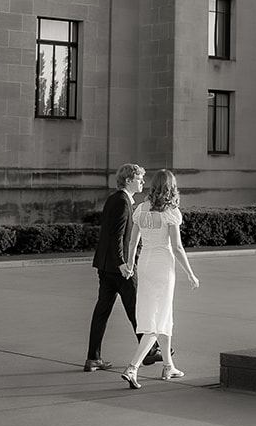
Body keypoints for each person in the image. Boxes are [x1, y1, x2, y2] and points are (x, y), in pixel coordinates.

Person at [120, 169, 199, 387]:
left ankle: (168, 365)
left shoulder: (141, 209)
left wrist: (130, 264)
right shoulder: (171, 212)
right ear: (171, 188)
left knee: (161, 316)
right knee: (158, 319)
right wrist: (191, 274)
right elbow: (177, 247)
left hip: (144, 264)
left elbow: (132, 243)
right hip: (163, 266)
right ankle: (133, 367)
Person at [85, 163, 158, 370]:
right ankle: (150, 352)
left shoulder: (116, 200)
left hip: (107, 267)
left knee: (103, 311)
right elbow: (116, 237)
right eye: (139, 179)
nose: (143, 182)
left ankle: (93, 358)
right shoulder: (122, 202)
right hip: (120, 268)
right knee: (137, 309)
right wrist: (123, 264)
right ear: (128, 180)